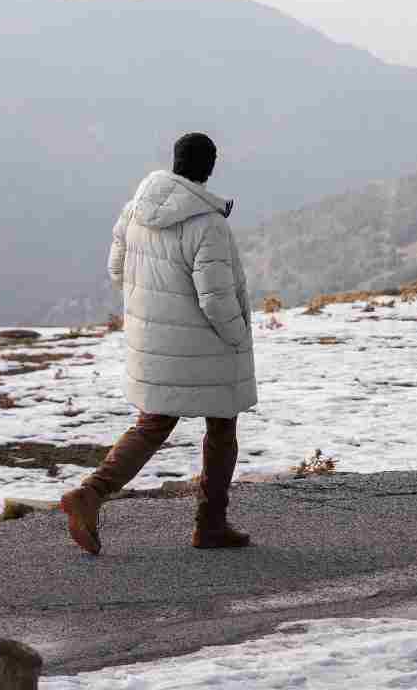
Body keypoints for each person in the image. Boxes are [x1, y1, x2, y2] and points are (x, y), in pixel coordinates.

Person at [60, 132, 257, 554]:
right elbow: (216, 298)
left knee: (152, 425)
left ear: (175, 162)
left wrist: (154, 314)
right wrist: (238, 338)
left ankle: (91, 494)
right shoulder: (208, 224)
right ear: (210, 167)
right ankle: (210, 524)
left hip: (153, 342)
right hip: (206, 345)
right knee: (222, 427)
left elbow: (117, 270)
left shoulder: (135, 210)